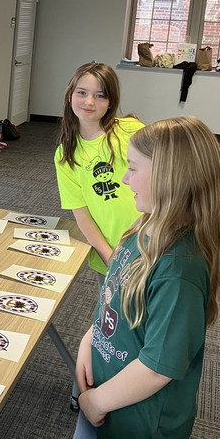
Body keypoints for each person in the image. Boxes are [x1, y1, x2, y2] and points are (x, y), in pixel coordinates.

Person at [70, 116, 220, 439]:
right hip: (104, 398)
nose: (125, 179)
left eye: (133, 168)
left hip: (137, 428)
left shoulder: (179, 269)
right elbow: (114, 302)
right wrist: (90, 340)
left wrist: (97, 401)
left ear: (170, 177)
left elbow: (157, 368)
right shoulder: (142, 229)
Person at [54, 62, 144, 282]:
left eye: (100, 95)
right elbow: (82, 216)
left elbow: (166, 183)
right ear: (69, 95)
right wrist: (110, 257)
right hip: (109, 253)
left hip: (149, 245)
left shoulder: (131, 131)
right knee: (111, 314)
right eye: (82, 93)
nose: (89, 102)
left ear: (111, 101)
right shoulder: (66, 154)